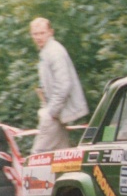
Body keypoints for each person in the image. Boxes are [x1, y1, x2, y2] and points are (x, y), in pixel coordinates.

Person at [29, 17, 89, 153]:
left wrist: (51, 112)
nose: (38, 37)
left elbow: (64, 85)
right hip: (57, 114)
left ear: (51, 32)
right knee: (62, 156)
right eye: (35, 34)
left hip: (55, 113)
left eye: (42, 33)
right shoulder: (47, 51)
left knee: (37, 156)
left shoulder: (54, 51)